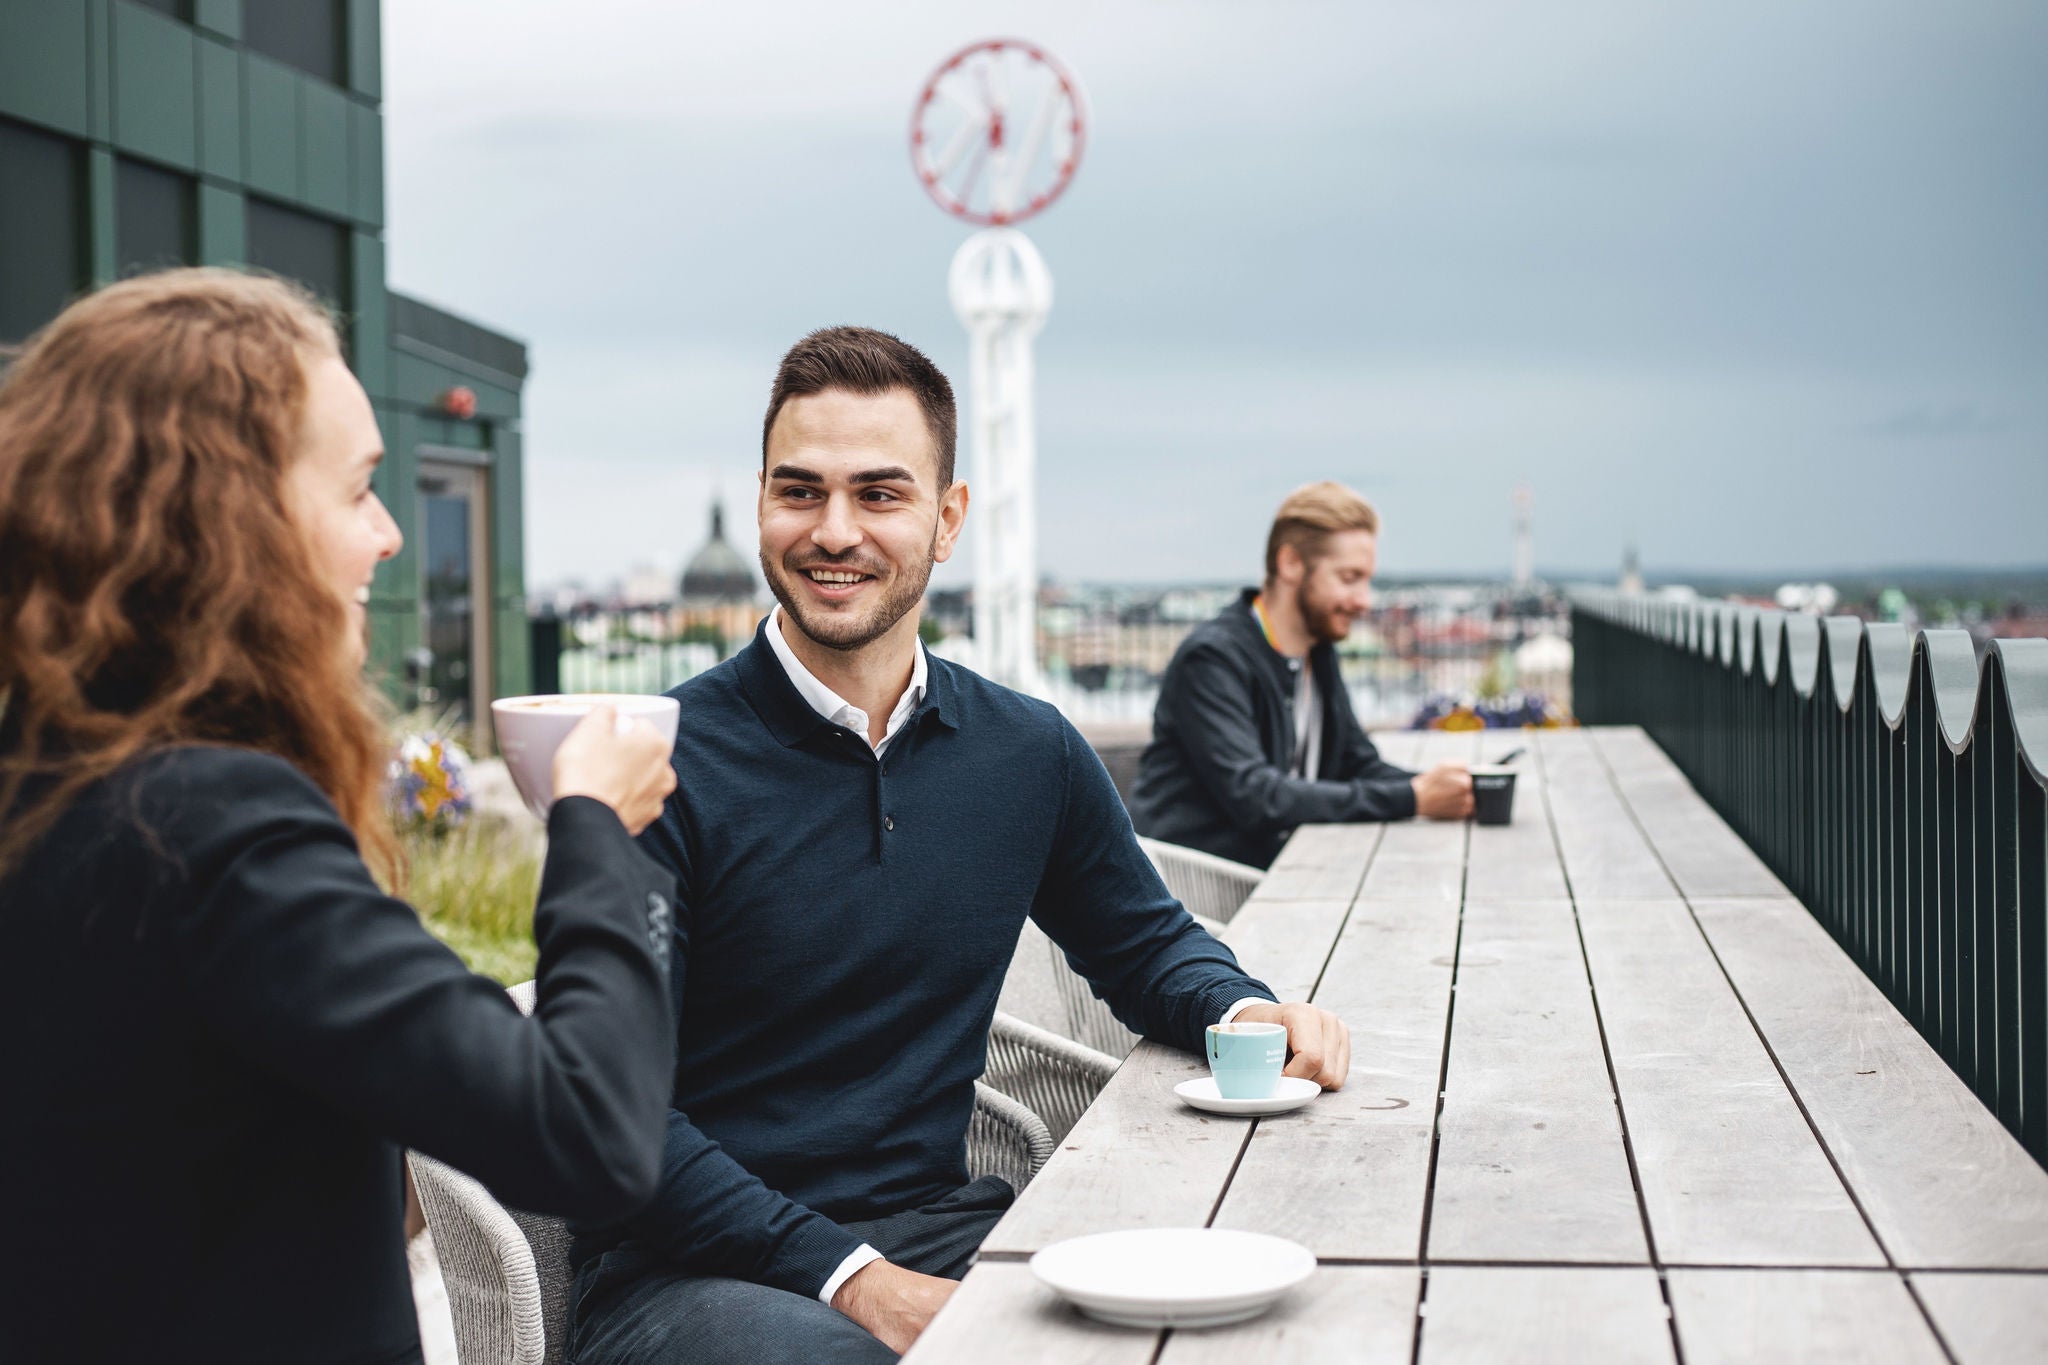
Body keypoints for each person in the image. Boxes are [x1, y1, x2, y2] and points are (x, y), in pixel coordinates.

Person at [567, 327, 1353, 1362]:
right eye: (798, 491)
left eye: (878, 495)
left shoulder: (1024, 752)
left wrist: (1250, 1009)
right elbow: (612, 1119)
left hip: (937, 1230)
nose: (832, 530)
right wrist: (854, 1284)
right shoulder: (654, 766)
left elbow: (1145, 944)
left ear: (946, 521)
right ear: (760, 500)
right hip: (689, 1274)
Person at [0, 269, 682, 1365]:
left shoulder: (49, 778)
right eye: (360, 488)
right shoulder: (215, 828)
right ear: (230, 522)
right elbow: (587, 1135)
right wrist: (596, 830)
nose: (389, 538)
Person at [1131, 481, 1474, 868]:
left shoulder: (1316, 650)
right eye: (1349, 578)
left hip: (1282, 868)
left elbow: (1356, 762)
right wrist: (1414, 797)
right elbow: (1256, 797)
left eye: (1367, 580)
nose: (1364, 600)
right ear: (1291, 563)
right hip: (1197, 893)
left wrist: (1451, 788)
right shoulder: (1212, 658)